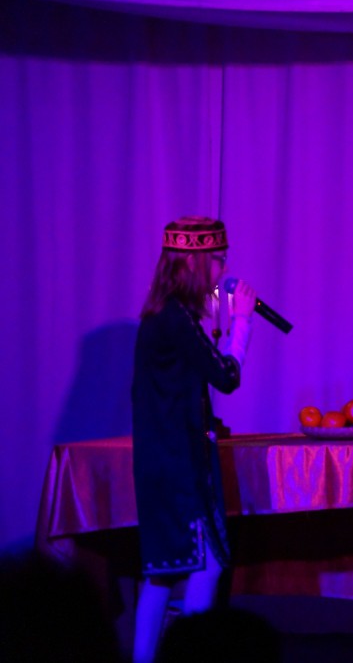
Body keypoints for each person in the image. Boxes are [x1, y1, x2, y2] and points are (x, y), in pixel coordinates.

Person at [131, 216, 257, 663]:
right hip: (176, 463)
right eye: (218, 259)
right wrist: (241, 323)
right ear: (192, 262)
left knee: (164, 572)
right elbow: (225, 375)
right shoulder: (175, 318)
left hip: (163, 459)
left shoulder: (165, 314)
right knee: (207, 565)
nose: (224, 269)